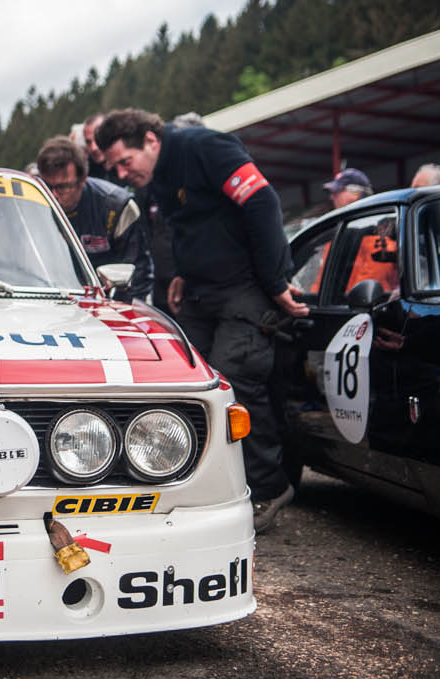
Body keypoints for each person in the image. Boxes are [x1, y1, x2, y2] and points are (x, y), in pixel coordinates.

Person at [97, 108, 307, 532]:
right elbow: (190, 229)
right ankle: (187, 484)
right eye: (115, 167)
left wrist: (276, 280)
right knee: (182, 382)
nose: (122, 173)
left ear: (151, 141)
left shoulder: (205, 147)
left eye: (126, 161)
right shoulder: (159, 175)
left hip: (246, 287)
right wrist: (180, 275)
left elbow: (262, 201)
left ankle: (268, 488)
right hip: (200, 292)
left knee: (235, 379)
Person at [35, 136, 152, 301]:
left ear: (82, 180)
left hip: (105, 301)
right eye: (47, 186)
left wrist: (120, 313)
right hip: (49, 297)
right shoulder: (32, 203)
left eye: (62, 187)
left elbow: (137, 273)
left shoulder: (115, 206)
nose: (53, 195)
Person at [81, 113, 112, 182]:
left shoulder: (129, 167)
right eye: (88, 142)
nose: (94, 148)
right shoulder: (84, 172)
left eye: (97, 138)